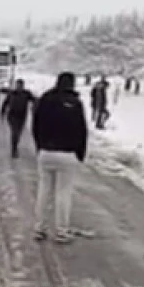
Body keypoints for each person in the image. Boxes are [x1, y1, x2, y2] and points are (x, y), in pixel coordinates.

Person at [32, 71, 88, 243]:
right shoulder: (75, 103)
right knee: (63, 194)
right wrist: (80, 153)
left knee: (44, 191)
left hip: (46, 152)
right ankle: (61, 231)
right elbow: (82, 130)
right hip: (67, 154)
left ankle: (39, 228)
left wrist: (40, 146)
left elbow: (36, 124)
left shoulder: (45, 100)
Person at [1, 79, 36, 158]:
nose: (19, 87)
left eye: (20, 86)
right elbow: (5, 104)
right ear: (16, 86)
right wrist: (2, 114)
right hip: (12, 116)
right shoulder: (11, 94)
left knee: (18, 133)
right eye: (18, 85)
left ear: (23, 86)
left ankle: (15, 147)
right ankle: (14, 150)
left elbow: (34, 100)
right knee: (15, 132)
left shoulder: (26, 94)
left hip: (22, 116)